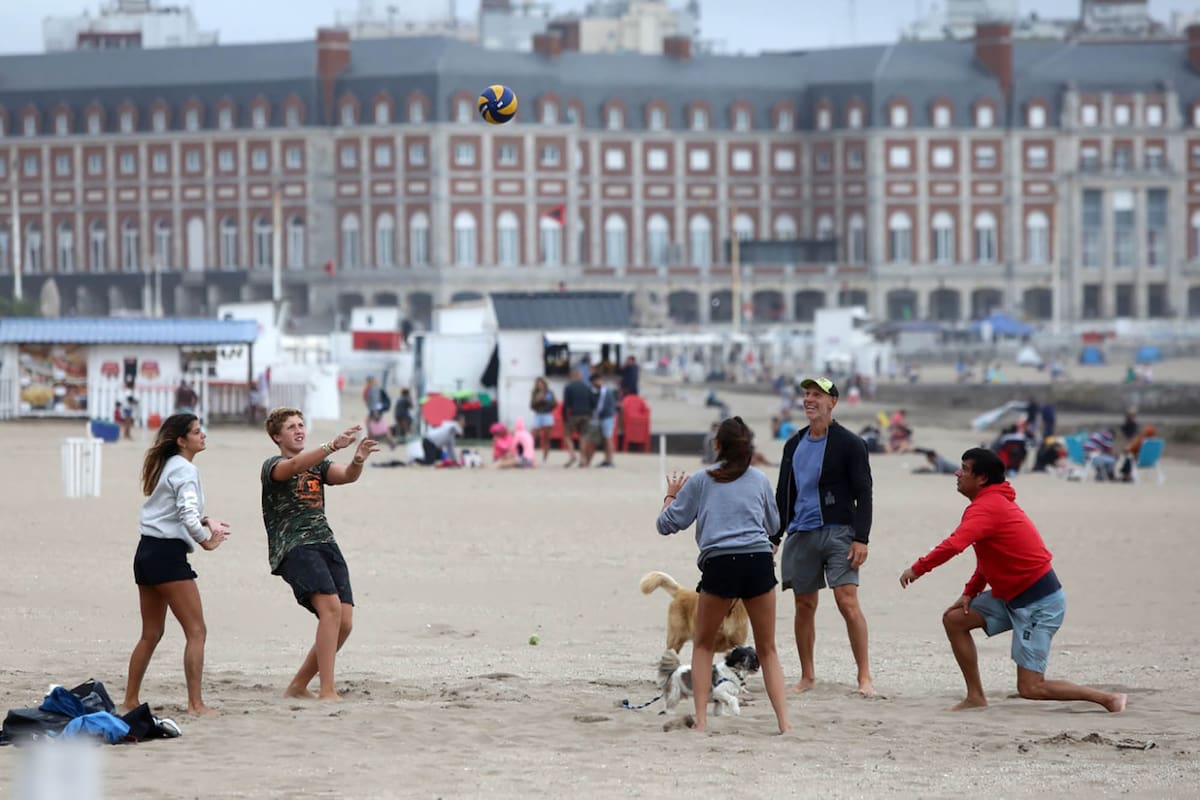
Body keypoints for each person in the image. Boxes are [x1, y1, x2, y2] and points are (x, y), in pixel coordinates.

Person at [899, 448, 1126, 713]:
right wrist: (970, 592)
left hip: (1039, 603)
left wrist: (918, 569)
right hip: (1011, 597)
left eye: (964, 469)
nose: (957, 473)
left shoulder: (988, 508)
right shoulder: (986, 505)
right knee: (954, 620)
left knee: (1031, 688)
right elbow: (990, 559)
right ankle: (975, 697)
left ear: (981, 478)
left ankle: (1108, 699)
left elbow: (954, 545)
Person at [656, 417, 791, 735]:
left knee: (702, 645)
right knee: (768, 648)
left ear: (717, 446)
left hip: (720, 563)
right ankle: (785, 724)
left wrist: (671, 496)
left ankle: (701, 722)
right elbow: (773, 525)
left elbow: (666, 524)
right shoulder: (758, 480)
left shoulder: (702, 480)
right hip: (758, 560)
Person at [261, 408, 380, 700]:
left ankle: (298, 686)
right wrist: (332, 445)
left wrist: (357, 460)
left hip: (325, 542)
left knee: (345, 621)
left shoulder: (318, 465)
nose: (299, 430)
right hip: (294, 547)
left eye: (301, 425)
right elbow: (294, 467)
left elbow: (346, 476)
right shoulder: (273, 465)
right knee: (330, 610)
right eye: (291, 427)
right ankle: (328, 690)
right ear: (277, 436)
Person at [121, 414, 231, 716]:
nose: (203, 435)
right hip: (167, 557)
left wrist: (205, 520)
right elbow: (184, 512)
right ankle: (196, 704)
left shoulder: (168, 466)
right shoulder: (184, 469)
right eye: (197, 432)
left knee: (151, 633)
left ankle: (130, 700)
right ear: (181, 440)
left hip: (146, 552)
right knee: (197, 631)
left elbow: (172, 511)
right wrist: (205, 540)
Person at [774, 377, 875, 695]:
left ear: (833, 402)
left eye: (817, 395)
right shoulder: (793, 444)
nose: (809, 400)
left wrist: (862, 538)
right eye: (806, 394)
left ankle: (864, 677)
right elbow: (783, 495)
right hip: (801, 532)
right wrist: (774, 536)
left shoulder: (850, 443)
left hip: (839, 531)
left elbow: (864, 492)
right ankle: (807, 677)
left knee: (847, 600)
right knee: (804, 604)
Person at [582, 371, 616, 468]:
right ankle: (606, 459)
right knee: (605, 439)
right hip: (603, 418)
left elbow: (600, 407)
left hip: (607, 418)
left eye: (593, 383)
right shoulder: (601, 391)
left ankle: (610, 460)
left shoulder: (605, 392)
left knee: (608, 438)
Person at [561, 369, 591, 468]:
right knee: (583, 436)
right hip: (586, 415)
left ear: (572, 376)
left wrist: (564, 417)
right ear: (581, 376)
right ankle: (583, 459)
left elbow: (565, 405)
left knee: (567, 435)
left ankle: (572, 455)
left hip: (573, 414)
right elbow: (592, 402)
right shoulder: (587, 387)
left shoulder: (569, 387)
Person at [529, 377, 556, 462]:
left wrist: (544, 400)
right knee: (534, 435)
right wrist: (537, 401)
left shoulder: (549, 393)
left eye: (541, 384)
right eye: (538, 384)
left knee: (546, 437)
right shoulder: (534, 393)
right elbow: (531, 406)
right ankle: (530, 453)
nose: (540, 386)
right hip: (538, 415)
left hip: (547, 414)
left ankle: (545, 456)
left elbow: (554, 404)